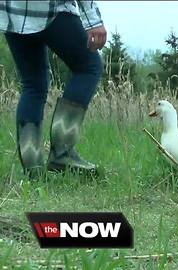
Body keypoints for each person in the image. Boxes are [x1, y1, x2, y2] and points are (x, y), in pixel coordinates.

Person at [0, 1, 107, 177]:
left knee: (32, 85)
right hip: (49, 8)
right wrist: (93, 20)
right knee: (88, 68)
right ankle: (62, 154)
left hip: (11, 12)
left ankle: (32, 168)